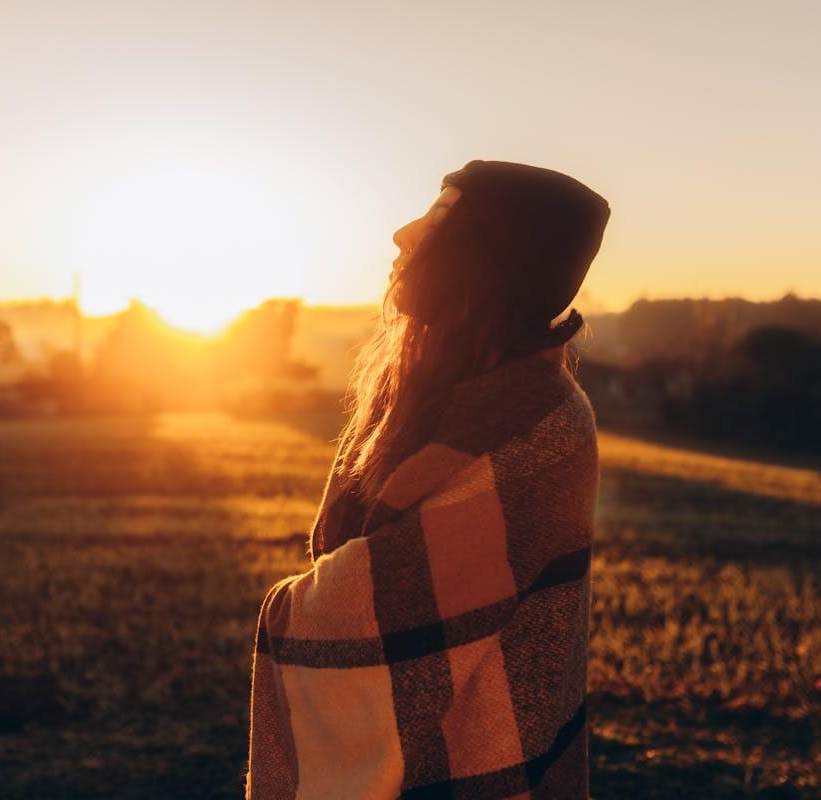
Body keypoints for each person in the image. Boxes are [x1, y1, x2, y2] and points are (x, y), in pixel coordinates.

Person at [246, 159, 611, 799]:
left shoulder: (541, 426)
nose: (404, 233)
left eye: (439, 217)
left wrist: (293, 607)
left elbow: (377, 611)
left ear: (495, 257)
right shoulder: (431, 392)